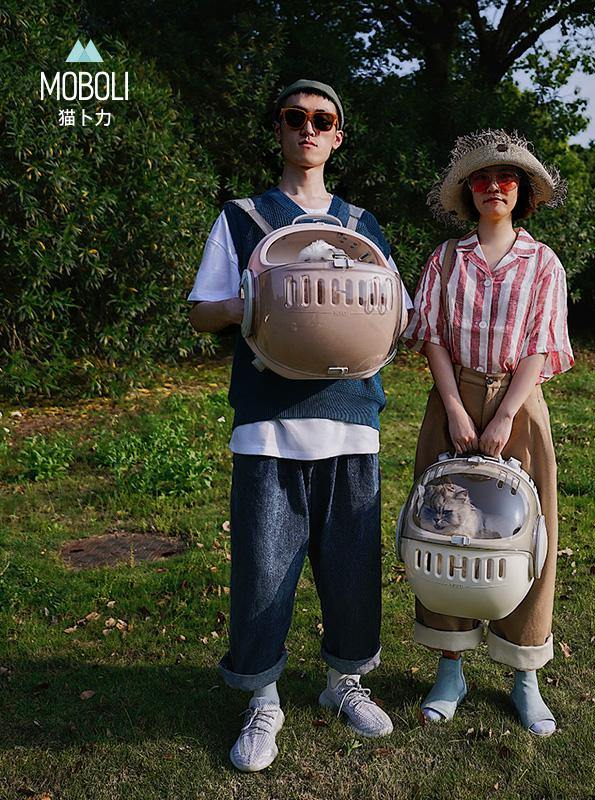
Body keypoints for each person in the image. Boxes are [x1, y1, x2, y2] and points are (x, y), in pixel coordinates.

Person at [188, 79, 411, 772]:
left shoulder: (361, 226)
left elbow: (396, 312)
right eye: (295, 118)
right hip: (269, 422)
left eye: (321, 120)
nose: (307, 129)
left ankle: (344, 682)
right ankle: (264, 699)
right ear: (280, 129)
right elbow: (200, 311)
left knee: (352, 567)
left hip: (350, 417)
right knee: (263, 569)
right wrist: (254, 299)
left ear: (337, 136)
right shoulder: (243, 218)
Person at [402, 129, 573, 736]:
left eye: (506, 179)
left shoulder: (543, 262)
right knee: (442, 530)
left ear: (521, 191)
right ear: (468, 192)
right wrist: (454, 407)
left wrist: (503, 416)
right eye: (481, 179)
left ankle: (525, 675)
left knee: (524, 534)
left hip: (518, 403)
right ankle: (450, 669)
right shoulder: (445, 259)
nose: (493, 187)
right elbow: (431, 335)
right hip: (453, 398)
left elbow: (541, 344)